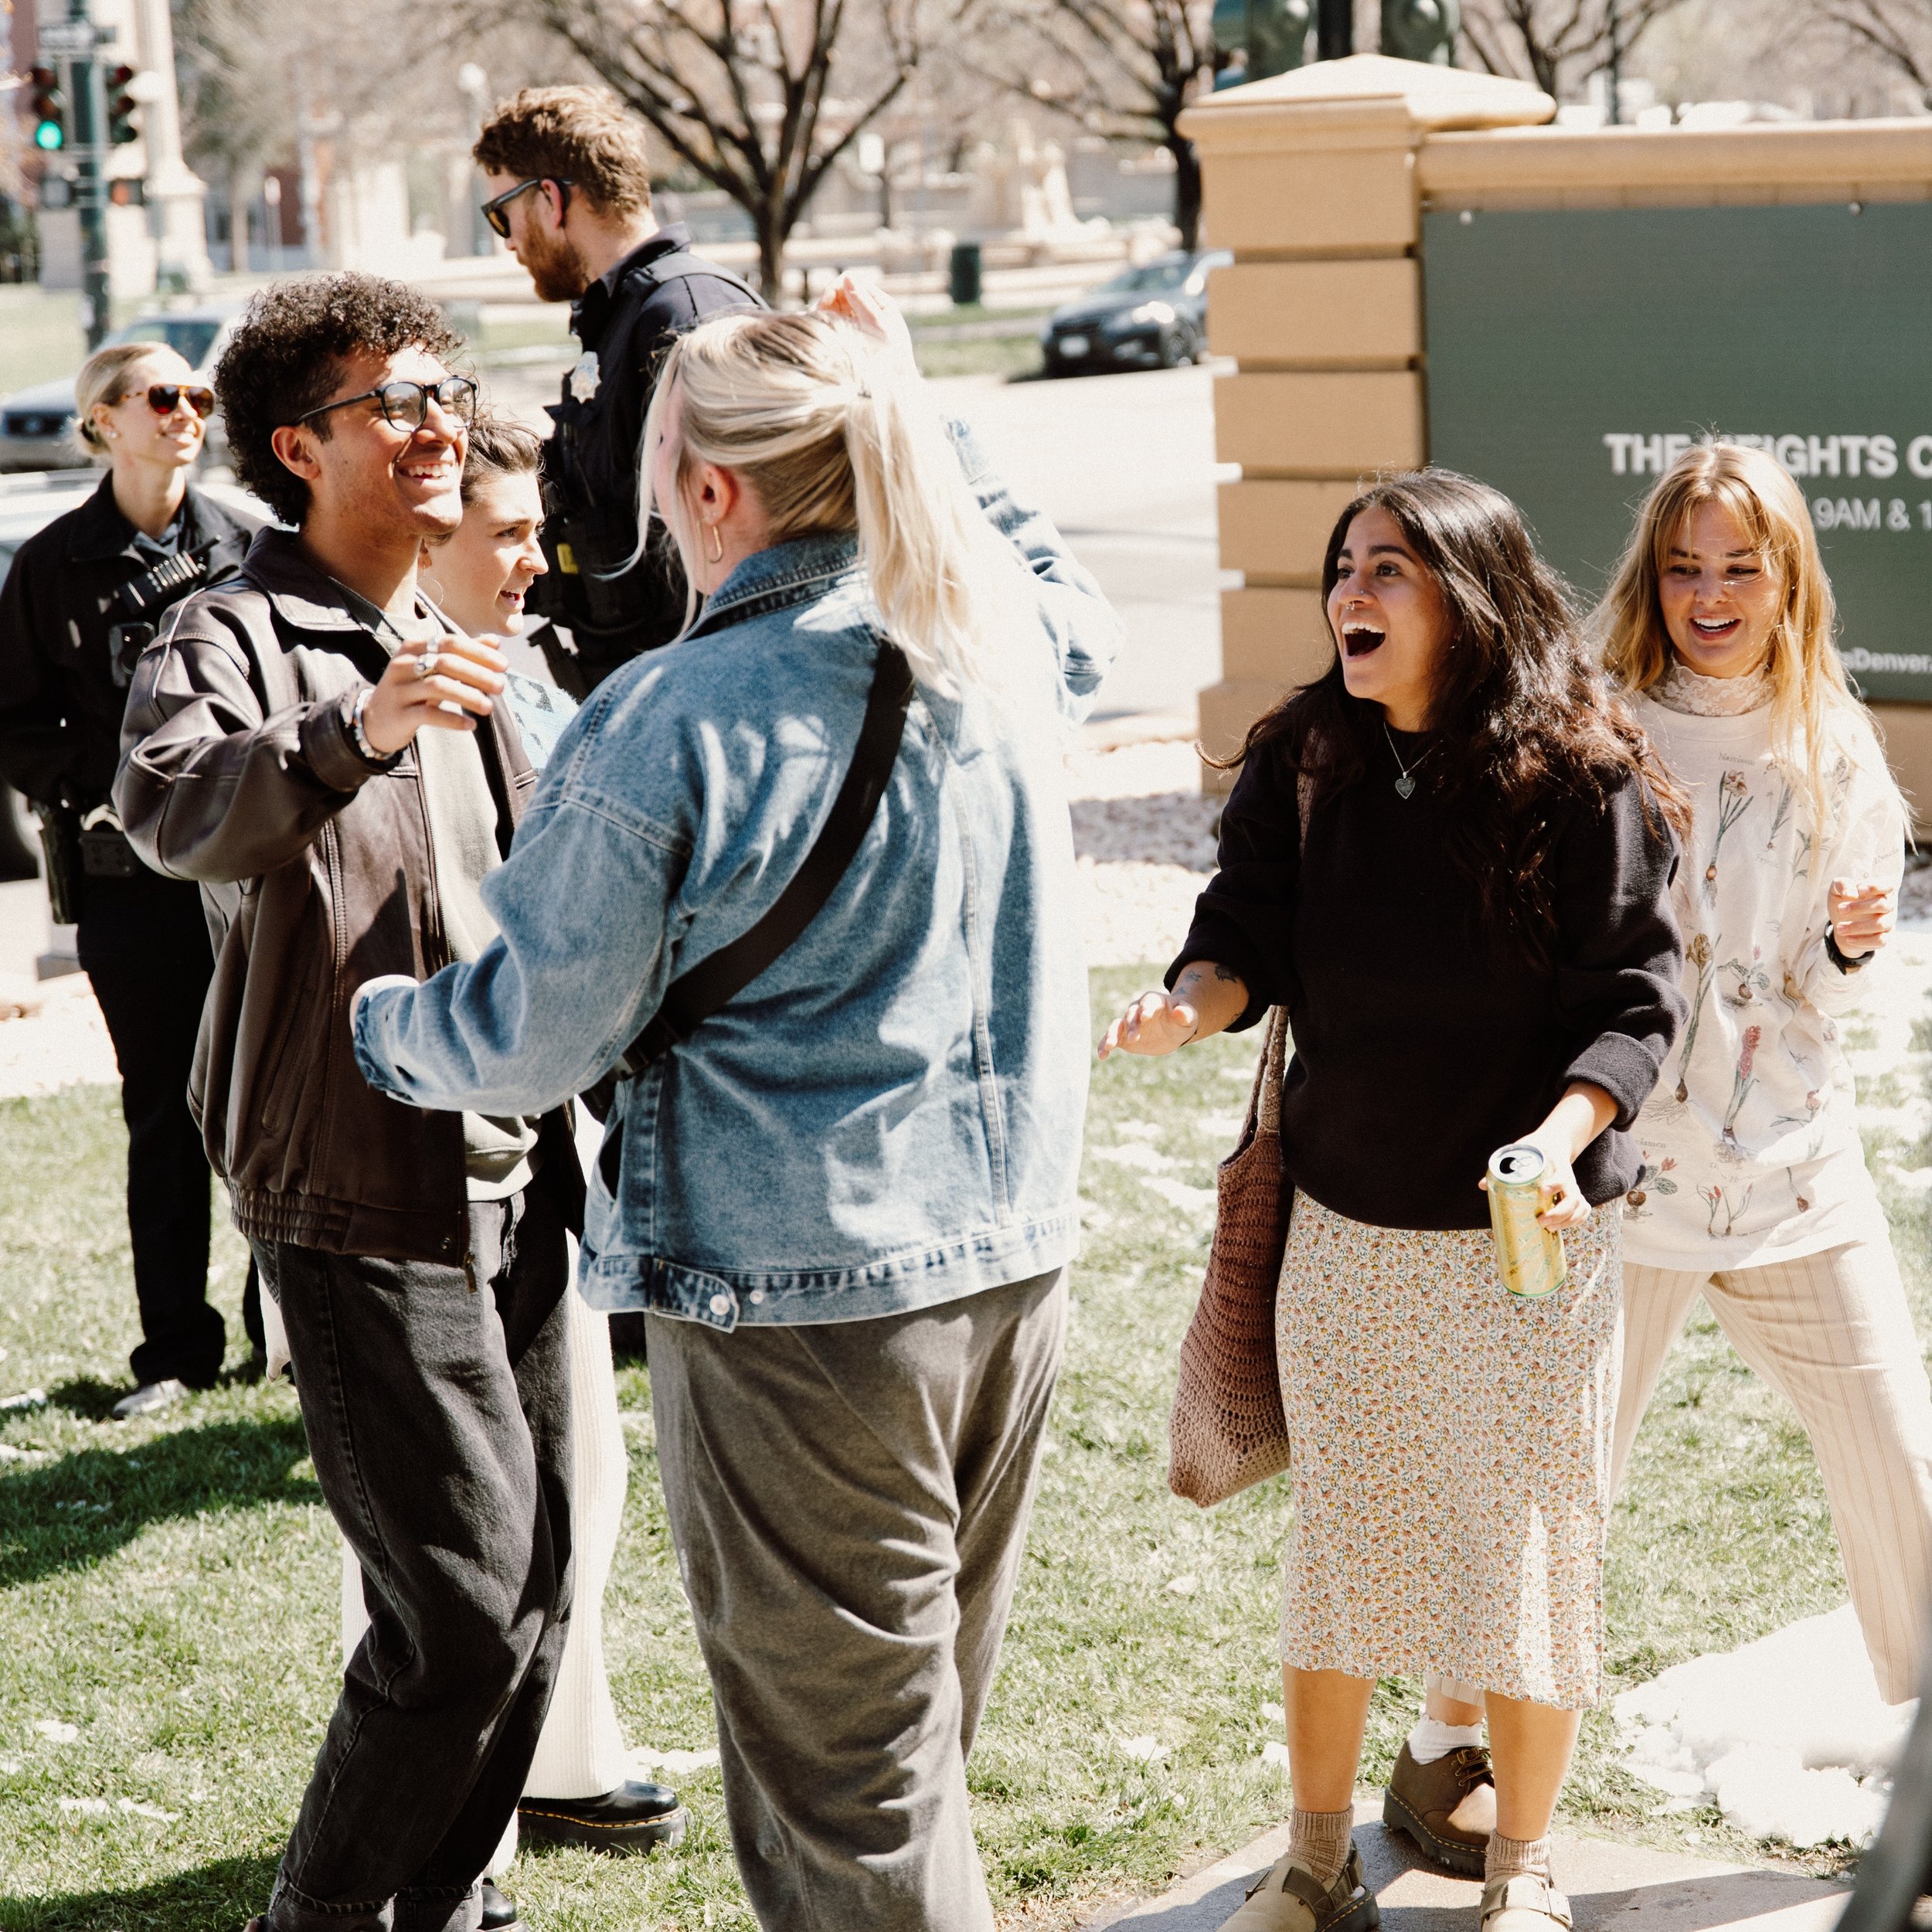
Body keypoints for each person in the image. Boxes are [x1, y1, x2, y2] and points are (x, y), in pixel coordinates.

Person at [349, 277, 1121, 1931]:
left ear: (709, 493)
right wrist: (931, 410)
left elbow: (523, 1036)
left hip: (802, 1309)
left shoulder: (679, 716)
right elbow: (1073, 608)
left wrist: (378, 1030)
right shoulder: (991, 642)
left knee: (852, 1814)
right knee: (907, 1756)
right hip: (1007, 1279)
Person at [112, 271, 633, 1932]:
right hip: (352, 1187)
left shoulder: (457, 629)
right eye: (389, 403)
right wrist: (350, 726)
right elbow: (173, 809)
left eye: (438, 392)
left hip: (520, 1180)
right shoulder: (230, 632)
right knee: (458, 1614)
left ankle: (442, 1904)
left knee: (541, 1594)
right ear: (297, 446)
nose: (432, 425)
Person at [1100, 471, 1686, 1932]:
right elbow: (1240, 931)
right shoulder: (1308, 757)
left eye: (1390, 573)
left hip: (1524, 1239)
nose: (1350, 596)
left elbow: (1634, 998)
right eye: (1344, 568)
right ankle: (1314, 1866)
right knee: (1343, 1543)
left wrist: (1560, 1141)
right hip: (1347, 1223)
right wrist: (1191, 1003)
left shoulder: (1582, 774)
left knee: (1528, 1548)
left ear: (1470, 600)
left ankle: (1523, 1868)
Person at [1599, 441, 1932, 1709]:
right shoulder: (1601, 722)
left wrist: (1851, 940)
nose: (1711, 592)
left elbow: (1830, 988)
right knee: (1554, 1481)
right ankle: (1451, 1743)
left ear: (1789, 579)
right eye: (1685, 567)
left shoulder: (1833, 743)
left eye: (1742, 566)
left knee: (1899, 1460)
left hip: (1796, 1176)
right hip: (1623, 1180)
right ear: (1655, 578)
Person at [413, 412, 687, 1855]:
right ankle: (458, 1824)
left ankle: (561, 1757)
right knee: (442, 1521)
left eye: (538, 529)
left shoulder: (526, 674)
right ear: (423, 531)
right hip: (418, 1159)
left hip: (546, 1147)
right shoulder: (379, 692)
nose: (540, 557)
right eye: (508, 533)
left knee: (581, 1473)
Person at [0, 339, 258, 1418]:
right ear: (104, 420)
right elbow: (13, 725)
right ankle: (176, 1353)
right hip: (125, 880)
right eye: (163, 397)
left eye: (200, 395)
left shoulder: (248, 540)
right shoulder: (52, 563)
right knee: (163, 1114)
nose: (187, 412)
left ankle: (281, 1333)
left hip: (251, 869)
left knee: (272, 1107)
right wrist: (107, 791)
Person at [473, 83, 759, 696]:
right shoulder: (625, 316)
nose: (508, 239)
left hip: (703, 690)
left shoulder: (687, 313)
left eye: (504, 213)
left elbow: (754, 536)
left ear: (550, 199)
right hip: (650, 684)